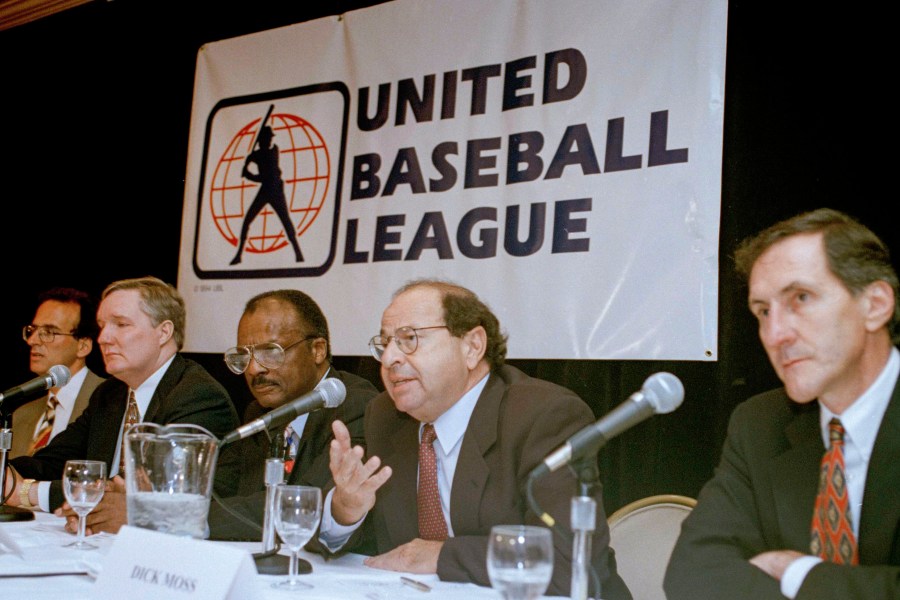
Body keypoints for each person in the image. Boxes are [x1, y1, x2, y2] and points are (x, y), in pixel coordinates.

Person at [316, 279, 631, 599]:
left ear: (472, 346)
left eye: (409, 339)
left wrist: (440, 556)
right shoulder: (385, 416)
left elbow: (568, 563)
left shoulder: (544, 416)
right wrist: (344, 509)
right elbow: (344, 538)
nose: (389, 359)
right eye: (385, 344)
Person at [664, 208, 900, 599]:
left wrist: (799, 574)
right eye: (763, 311)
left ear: (875, 304)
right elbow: (692, 574)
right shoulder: (761, 423)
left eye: (801, 298)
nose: (775, 335)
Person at [3, 276, 240, 534]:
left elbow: (153, 495)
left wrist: (26, 492)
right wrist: (7, 470)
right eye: (103, 326)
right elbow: (55, 460)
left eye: (121, 324)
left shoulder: (197, 394)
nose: (104, 338)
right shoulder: (110, 393)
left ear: (164, 332)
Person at [206, 289, 378, 540]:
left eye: (270, 352)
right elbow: (220, 493)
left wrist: (191, 517)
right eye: (244, 356)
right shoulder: (258, 412)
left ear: (318, 350)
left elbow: (305, 506)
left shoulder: (356, 407)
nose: (254, 369)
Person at [8, 287, 105, 459]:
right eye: (33, 330)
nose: (32, 341)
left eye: (49, 332)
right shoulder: (22, 414)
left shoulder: (108, 400)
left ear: (83, 346)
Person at [229, 122, 304, 266]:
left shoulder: (272, 152)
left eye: (270, 138)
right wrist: (248, 164)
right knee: (247, 221)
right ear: (261, 140)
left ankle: (298, 253)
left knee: (285, 220)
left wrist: (249, 174)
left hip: (275, 189)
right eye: (267, 138)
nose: (269, 140)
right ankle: (238, 255)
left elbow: (264, 177)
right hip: (265, 190)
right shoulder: (257, 155)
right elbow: (258, 168)